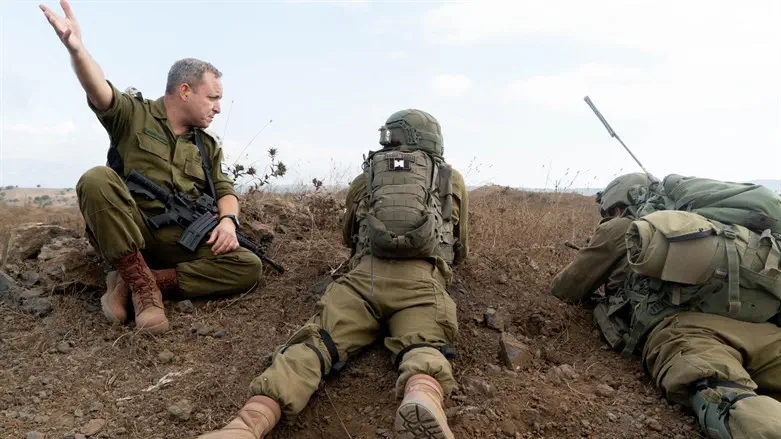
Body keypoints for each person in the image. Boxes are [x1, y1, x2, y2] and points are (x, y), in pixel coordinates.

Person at [197, 109, 469, 439]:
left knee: (316, 343)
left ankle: (247, 424)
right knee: (425, 345)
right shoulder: (451, 179)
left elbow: (348, 237)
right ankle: (422, 395)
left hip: (362, 281)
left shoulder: (367, 178)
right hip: (422, 281)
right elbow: (460, 247)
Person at [40, 0, 262, 334]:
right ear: (185, 91)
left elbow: (225, 190)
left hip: (180, 240)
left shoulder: (207, 145)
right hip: (130, 229)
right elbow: (98, 89)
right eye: (213, 97)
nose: (218, 108)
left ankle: (142, 280)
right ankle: (144, 289)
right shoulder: (133, 114)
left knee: (248, 265)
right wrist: (77, 50)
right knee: (96, 179)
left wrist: (229, 222)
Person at [552, 173, 781, 438]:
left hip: (684, 330)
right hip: (762, 324)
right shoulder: (714, 223)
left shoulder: (622, 226)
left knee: (724, 396)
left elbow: (565, 289)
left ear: (616, 206)